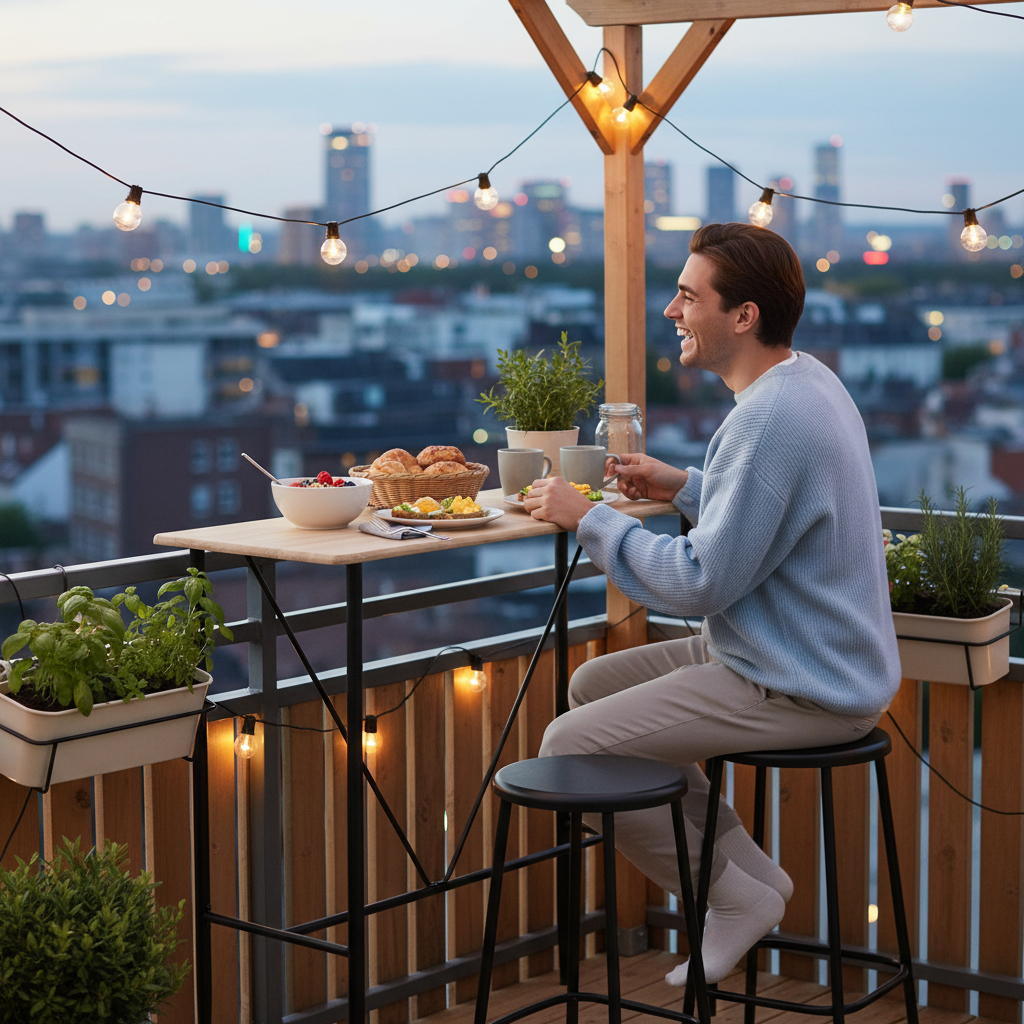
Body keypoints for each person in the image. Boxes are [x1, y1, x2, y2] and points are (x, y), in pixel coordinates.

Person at [522, 222, 900, 986]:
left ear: (744, 316)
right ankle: (753, 879)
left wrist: (586, 516)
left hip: (801, 677)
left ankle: (727, 896)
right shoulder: (805, 381)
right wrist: (685, 485)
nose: (671, 311)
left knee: (569, 747)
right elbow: (772, 512)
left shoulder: (766, 419)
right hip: (791, 647)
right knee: (592, 687)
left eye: (688, 296)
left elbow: (698, 583)